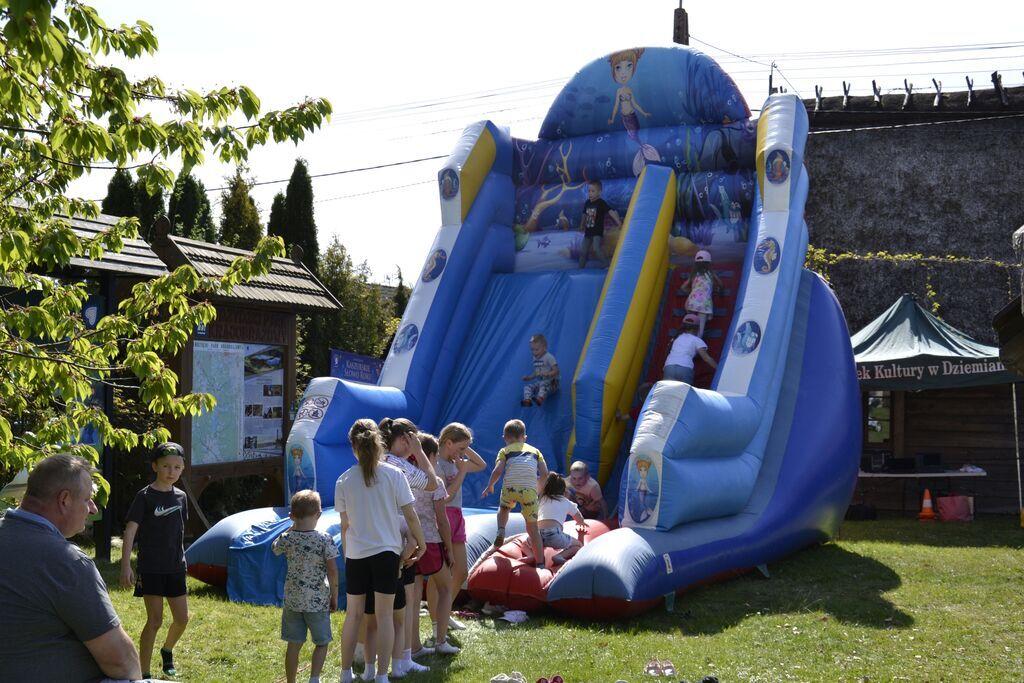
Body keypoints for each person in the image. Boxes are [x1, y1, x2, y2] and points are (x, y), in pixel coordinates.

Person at [0, 453, 156, 683]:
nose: (92, 508)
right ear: (64, 500)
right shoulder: (67, 562)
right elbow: (121, 662)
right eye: (87, 499)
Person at [336, 419, 426, 683]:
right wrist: (420, 544)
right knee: (385, 616)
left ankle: (345, 673)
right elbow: (411, 516)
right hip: (387, 553)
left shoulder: (344, 480)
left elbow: (345, 526)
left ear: (353, 446)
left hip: (356, 554)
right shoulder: (394, 475)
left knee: (353, 616)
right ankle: (382, 676)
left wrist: (347, 554)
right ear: (379, 443)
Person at [120, 442, 190, 679]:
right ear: (155, 467)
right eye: (166, 466)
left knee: (182, 619)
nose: (172, 471)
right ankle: (144, 673)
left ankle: (167, 650)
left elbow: (178, 532)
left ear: (182, 469)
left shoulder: (181, 497)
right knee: (155, 620)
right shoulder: (145, 496)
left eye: (177, 467)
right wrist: (125, 565)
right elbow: (130, 531)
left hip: (176, 568)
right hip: (151, 569)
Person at [271, 489, 339, 683]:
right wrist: (334, 596)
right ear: (318, 514)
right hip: (317, 601)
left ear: (292, 516)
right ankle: (314, 679)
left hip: (293, 600)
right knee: (322, 642)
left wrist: (291, 527)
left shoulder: (288, 538)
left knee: (294, 644)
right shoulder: (324, 539)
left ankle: (291, 681)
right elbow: (333, 571)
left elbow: (274, 548)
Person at [429, 422, 486, 632]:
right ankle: (437, 621)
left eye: (465, 449)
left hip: (457, 517)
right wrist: (461, 471)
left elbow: (481, 465)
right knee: (440, 575)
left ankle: (445, 611)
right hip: (442, 517)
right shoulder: (437, 464)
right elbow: (447, 496)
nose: (464, 454)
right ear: (448, 443)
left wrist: (464, 446)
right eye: (460, 448)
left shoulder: (457, 460)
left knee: (461, 572)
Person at [408, 434, 458, 657]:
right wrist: (449, 547)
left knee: (414, 596)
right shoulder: (434, 481)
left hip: (409, 542)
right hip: (430, 540)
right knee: (446, 588)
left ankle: (415, 645)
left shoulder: (404, 478)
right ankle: (440, 639)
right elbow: (442, 519)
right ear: (430, 455)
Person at [482, 419, 549, 568]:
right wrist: (538, 490)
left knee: (504, 509)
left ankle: (501, 530)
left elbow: (498, 470)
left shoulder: (505, 451)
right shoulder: (535, 452)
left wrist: (490, 485)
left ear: (505, 438)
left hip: (510, 489)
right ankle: (540, 563)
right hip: (529, 492)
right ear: (524, 437)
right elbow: (545, 473)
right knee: (533, 529)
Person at [537, 472, 589, 565]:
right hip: (554, 535)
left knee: (528, 542)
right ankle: (559, 556)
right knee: (578, 545)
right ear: (563, 490)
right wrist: (581, 523)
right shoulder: (566, 502)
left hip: (537, 536)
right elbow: (578, 516)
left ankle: (533, 556)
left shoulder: (542, 499)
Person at [678, 250, 724, 338]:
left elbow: (683, 287)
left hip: (692, 302)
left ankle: (685, 341)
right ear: (708, 263)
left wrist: (692, 292)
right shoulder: (711, 273)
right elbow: (720, 284)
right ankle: (696, 345)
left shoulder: (694, 274)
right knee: (700, 327)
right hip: (704, 303)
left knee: (690, 324)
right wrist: (718, 290)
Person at [577, 179, 622, 268]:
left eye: (593, 191)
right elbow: (584, 214)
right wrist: (581, 225)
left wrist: (618, 222)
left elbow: (610, 212)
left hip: (597, 232)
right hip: (588, 232)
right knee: (583, 251)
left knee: (596, 248)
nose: (590, 193)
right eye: (589, 191)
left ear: (599, 192)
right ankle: (580, 269)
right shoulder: (587, 203)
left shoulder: (601, 203)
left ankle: (607, 265)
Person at [664, 314, 719, 385]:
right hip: (685, 367)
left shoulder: (676, 337)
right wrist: (718, 368)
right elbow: (706, 358)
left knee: (667, 392)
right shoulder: (697, 340)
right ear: (698, 328)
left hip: (669, 366)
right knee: (684, 393)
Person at [521, 334, 560, 407]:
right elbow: (537, 372)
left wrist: (547, 374)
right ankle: (527, 400)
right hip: (542, 382)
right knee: (527, 387)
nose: (534, 352)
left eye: (537, 350)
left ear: (544, 348)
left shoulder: (549, 357)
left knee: (543, 385)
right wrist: (529, 378)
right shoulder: (535, 358)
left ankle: (540, 398)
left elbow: (557, 371)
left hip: (553, 383)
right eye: (532, 350)